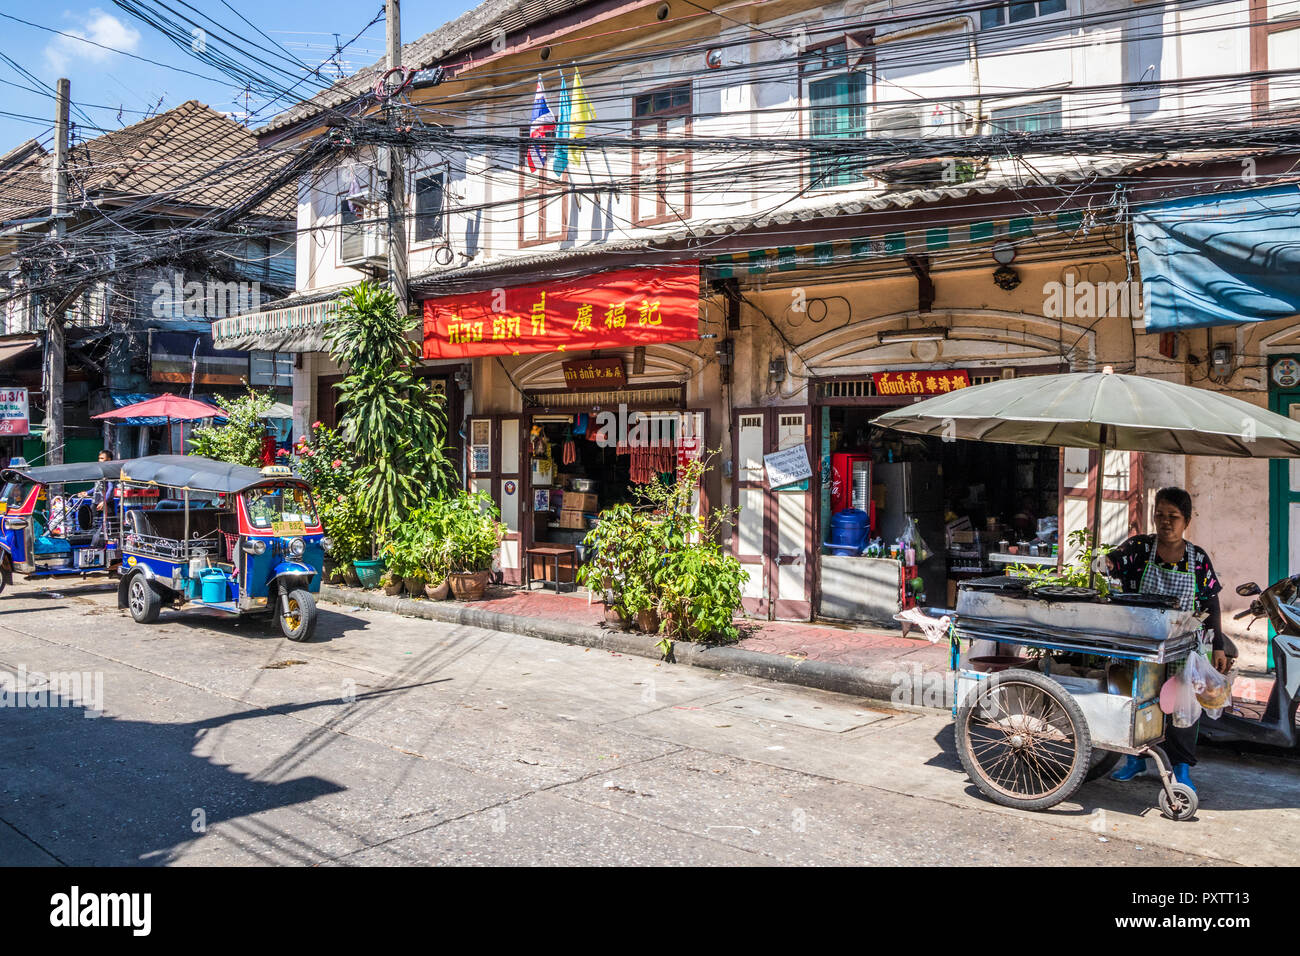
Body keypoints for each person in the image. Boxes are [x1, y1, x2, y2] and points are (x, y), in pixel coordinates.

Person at [1106, 486, 1235, 793]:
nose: (1165, 522)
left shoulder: (1197, 559)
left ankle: (1181, 768)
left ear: (1186, 520)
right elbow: (1114, 562)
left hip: (1183, 648)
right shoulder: (1138, 548)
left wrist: (1218, 645)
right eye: (1160, 515)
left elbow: (1211, 603)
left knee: (1182, 708)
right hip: (1140, 644)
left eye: (1173, 516)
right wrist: (1106, 562)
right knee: (1138, 701)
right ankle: (1134, 760)